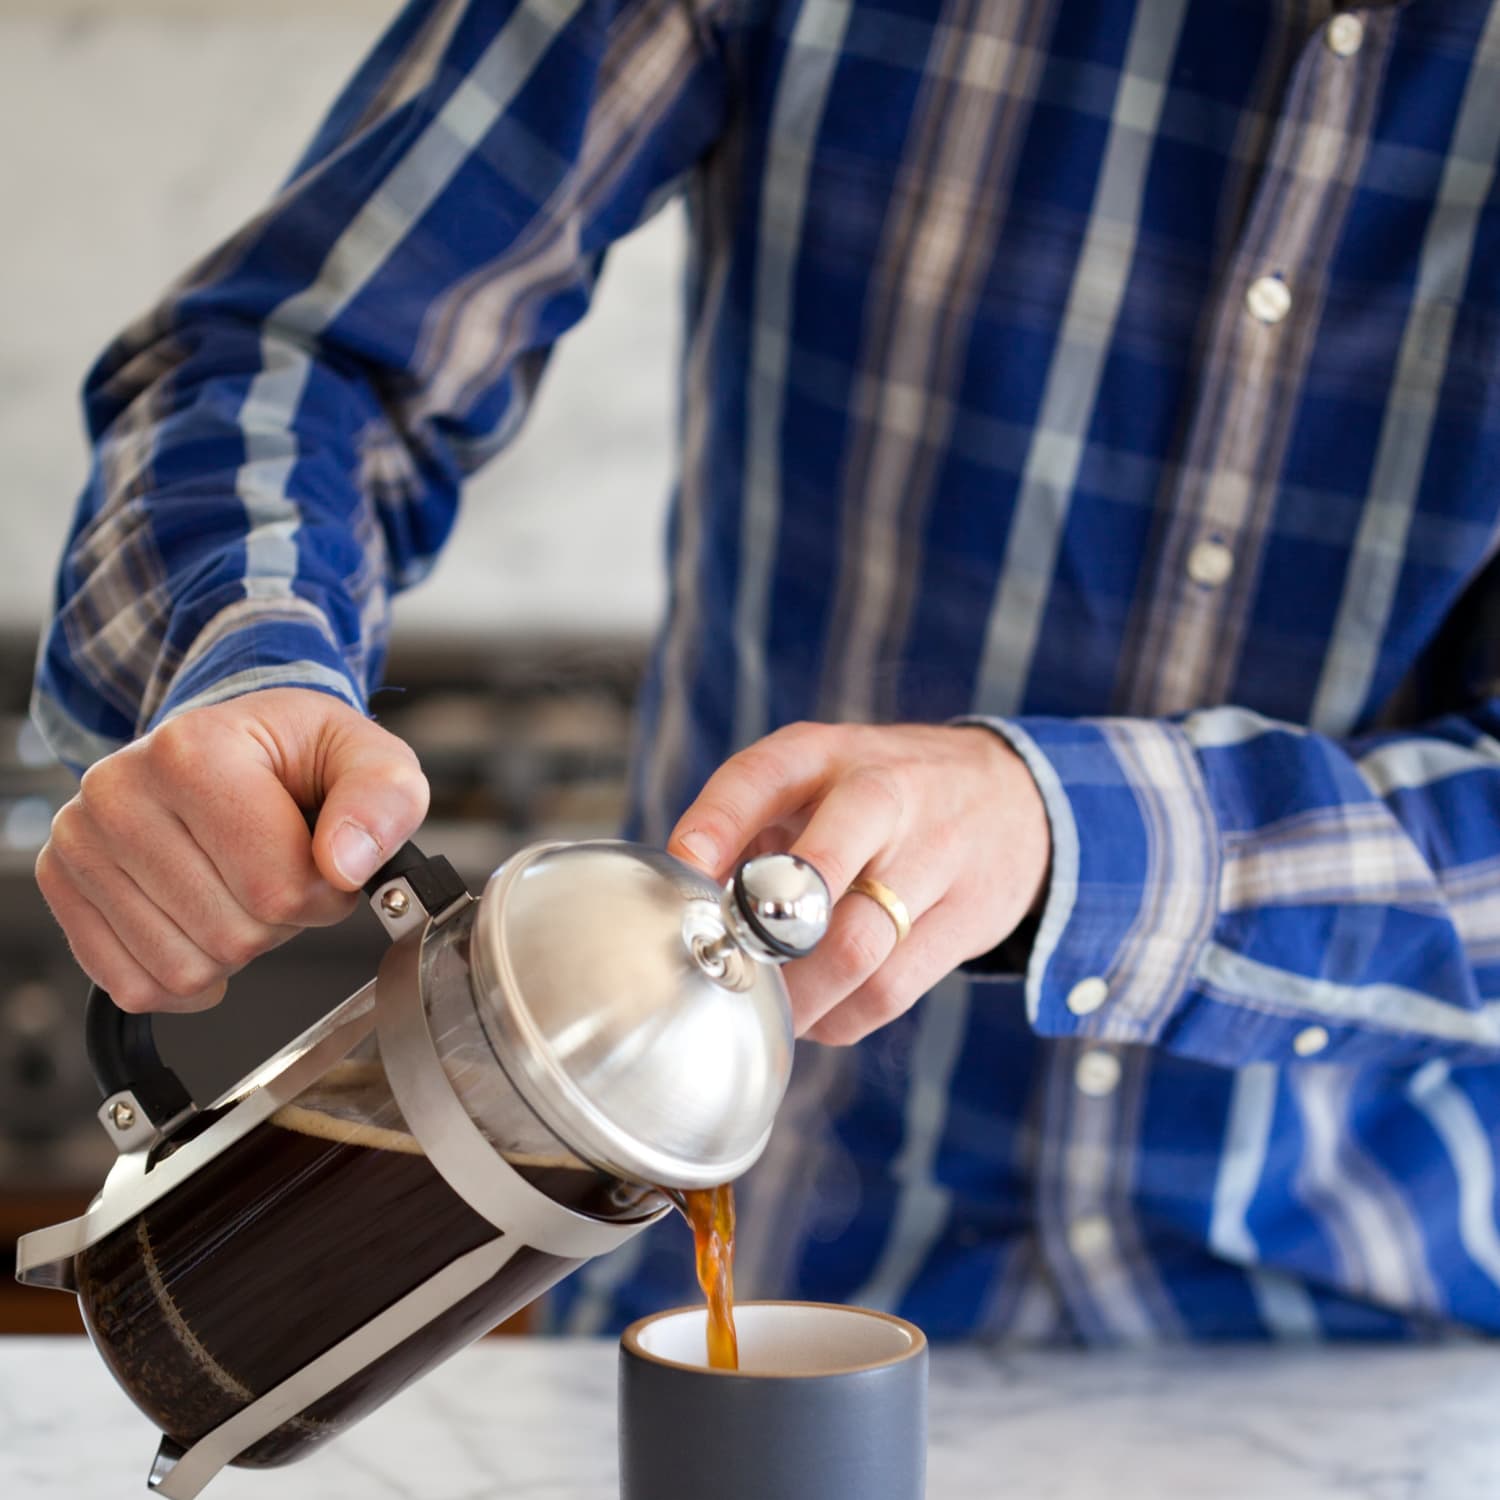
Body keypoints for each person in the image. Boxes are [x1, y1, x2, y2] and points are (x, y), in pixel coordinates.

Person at [31, 0, 1500, 1343]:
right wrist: (243, 659)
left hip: (1365, 1343)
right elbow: (307, 348)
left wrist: (1072, 834)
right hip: (714, 1277)